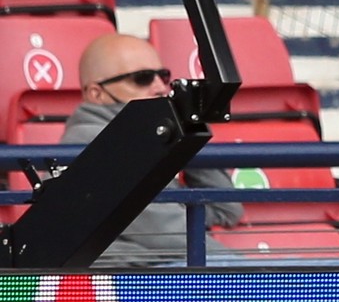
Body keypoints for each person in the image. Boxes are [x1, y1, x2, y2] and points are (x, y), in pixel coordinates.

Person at [62, 33, 244, 267]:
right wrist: (252, 272)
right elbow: (168, 235)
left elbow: (225, 210)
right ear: (97, 94)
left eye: (163, 75)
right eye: (142, 78)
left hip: (160, 269)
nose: (160, 87)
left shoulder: (147, 137)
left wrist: (192, 127)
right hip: (126, 281)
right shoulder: (90, 140)